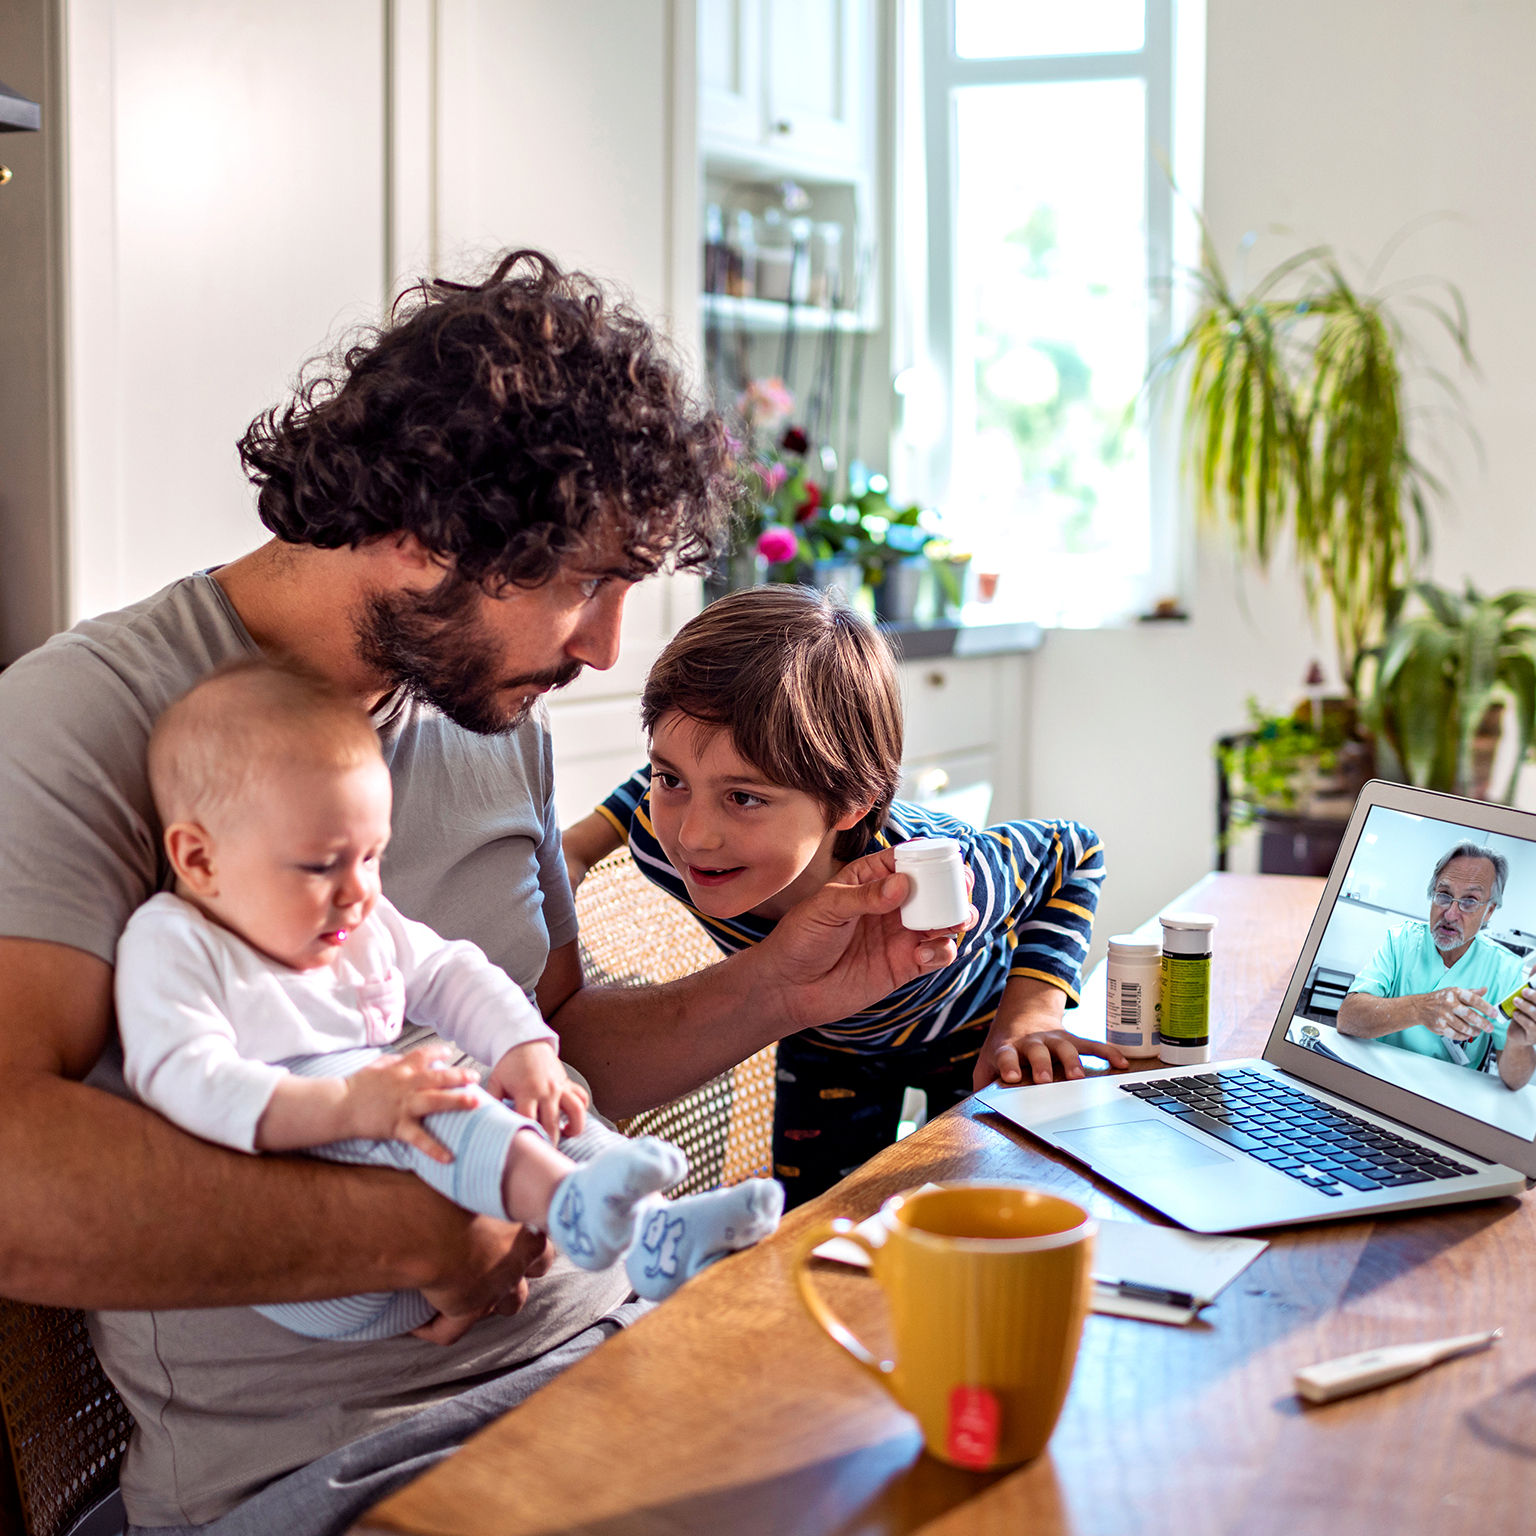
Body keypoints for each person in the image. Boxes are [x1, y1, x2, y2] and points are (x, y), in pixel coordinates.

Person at [0, 251, 967, 1534]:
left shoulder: (483, 710)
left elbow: (545, 1047)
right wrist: (413, 1232)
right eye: (582, 583)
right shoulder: (88, 718)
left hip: (611, 1345)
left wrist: (784, 984)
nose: (608, 647)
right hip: (349, 1464)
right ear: (420, 531)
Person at [118, 661, 783, 1341]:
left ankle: (654, 1230)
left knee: (538, 1104)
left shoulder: (357, 920)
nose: (357, 891)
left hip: (437, 1257)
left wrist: (523, 1047)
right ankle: (567, 1202)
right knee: (433, 1091)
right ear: (200, 861)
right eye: (322, 865)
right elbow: (179, 1074)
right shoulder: (175, 941)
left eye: (371, 857)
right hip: (324, 1266)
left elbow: (448, 969)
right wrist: (350, 1104)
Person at [562, 585, 1124, 1207]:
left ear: (851, 802)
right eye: (675, 783)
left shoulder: (935, 878)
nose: (693, 836)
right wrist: (579, 846)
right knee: (817, 1226)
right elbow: (656, 777)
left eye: (744, 797)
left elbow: (1074, 851)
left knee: (980, 1212)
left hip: (971, 1031)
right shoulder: (659, 837)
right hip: (824, 1044)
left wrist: (1030, 1015)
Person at [1336, 842, 1536, 1091]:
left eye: (1470, 901)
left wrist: (1519, 1044)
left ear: (1489, 911)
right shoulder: (1401, 941)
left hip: (1448, 1101)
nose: (1451, 914)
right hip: (1379, 1082)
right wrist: (1421, 1008)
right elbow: (1347, 1018)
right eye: (1443, 895)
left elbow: (1515, 1080)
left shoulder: (1505, 969)